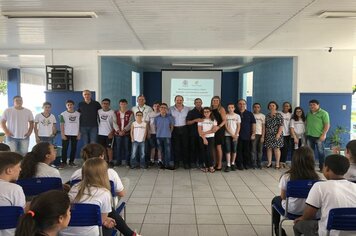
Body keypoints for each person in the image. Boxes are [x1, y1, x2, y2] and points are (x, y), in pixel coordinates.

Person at [62, 158, 139, 236]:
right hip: (92, 233)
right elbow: (101, 220)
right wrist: (107, 221)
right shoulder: (104, 193)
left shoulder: (74, 187)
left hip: (66, 231)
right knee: (111, 223)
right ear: (104, 175)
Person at [293, 154, 356, 236]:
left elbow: (309, 215)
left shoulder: (319, 186)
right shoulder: (354, 186)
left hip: (328, 233)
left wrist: (301, 218)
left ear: (327, 168)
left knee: (298, 225)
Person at [271, 146, 320, 236]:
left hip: (292, 210)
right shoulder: (317, 179)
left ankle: (277, 228)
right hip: (311, 212)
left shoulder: (287, 177)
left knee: (275, 200)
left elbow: (283, 197)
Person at [0, 151, 25, 236]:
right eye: (19, 167)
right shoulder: (15, 189)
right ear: (9, 170)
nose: (20, 169)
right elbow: (21, 213)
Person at [306, 99, 330, 171]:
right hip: (310, 136)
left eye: (314, 104)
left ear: (318, 105)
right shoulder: (308, 113)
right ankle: (311, 167)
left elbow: (327, 125)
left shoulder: (324, 113)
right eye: (310, 105)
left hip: (319, 137)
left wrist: (324, 134)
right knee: (310, 153)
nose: (312, 106)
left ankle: (322, 168)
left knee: (321, 153)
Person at [169, 95, 190, 169]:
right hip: (175, 129)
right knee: (176, 147)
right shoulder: (170, 109)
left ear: (183, 101)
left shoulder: (187, 109)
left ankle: (186, 163)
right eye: (177, 100)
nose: (179, 101)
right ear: (175, 101)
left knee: (185, 147)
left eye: (180, 100)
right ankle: (176, 163)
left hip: (184, 129)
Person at [59, 100, 81, 168]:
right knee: (64, 148)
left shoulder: (78, 114)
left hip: (75, 133)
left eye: (71, 104)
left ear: (73, 105)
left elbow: (80, 124)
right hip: (66, 133)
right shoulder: (62, 114)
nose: (70, 106)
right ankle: (64, 162)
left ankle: (71, 162)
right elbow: (61, 124)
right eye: (68, 105)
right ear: (66, 106)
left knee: (73, 148)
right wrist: (62, 134)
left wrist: (79, 133)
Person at [236, 99, 256, 170]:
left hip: (247, 135)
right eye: (240, 104)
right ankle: (239, 164)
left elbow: (253, 124)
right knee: (238, 150)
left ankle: (246, 164)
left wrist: (253, 133)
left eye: (243, 104)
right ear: (238, 105)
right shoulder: (235, 113)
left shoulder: (249, 114)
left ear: (245, 105)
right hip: (237, 135)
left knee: (246, 150)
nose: (242, 105)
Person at [98, 98, 117, 167]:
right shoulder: (99, 111)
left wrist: (112, 132)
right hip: (100, 133)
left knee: (109, 148)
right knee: (102, 148)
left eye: (107, 104)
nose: (105, 105)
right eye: (103, 103)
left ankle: (110, 161)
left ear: (109, 104)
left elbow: (115, 123)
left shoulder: (112, 112)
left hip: (109, 134)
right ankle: (105, 161)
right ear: (101, 104)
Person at [115, 99, 134, 166]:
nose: (123, 105)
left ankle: (127, 162)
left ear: (126, 104)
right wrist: (118, 131)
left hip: (126, 134)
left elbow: (131, 122)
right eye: (121, 104)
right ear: (119, 104)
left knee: (127, 149)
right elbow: (114, 123)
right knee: (118, 148)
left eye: (124, 104)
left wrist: (124, 130)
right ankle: (118, 162)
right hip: (118, 134)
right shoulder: (116, 112)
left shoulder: (130, 113)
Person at [155, 103, 174, 170]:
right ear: (159, 109)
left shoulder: (170, 117)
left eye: (165, 107)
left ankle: (167, 165)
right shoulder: (156, 118)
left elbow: (172, 127)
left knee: (167, 151)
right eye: (162, 107)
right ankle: (162, 164)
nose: (163, 109)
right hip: (159, 136)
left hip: (167, 136)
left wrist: (169, 133)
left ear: (167, 109)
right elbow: (156, 127)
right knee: (161, 151)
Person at [198, 107, 218, 173]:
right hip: (202, 138)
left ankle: (211, 166)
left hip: (211, 138)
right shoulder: (201, 120)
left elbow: (213, 130)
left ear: (210, 112)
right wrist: (204, 138)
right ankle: (205, 166)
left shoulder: (214, 120)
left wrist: (205, 133)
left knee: (209, 152)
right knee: (203, 152)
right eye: (205, 112)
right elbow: (199, 131)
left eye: (207, 111)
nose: (206, 113)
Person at [265, 101, 284, 169]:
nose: (271, 107)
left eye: (273, 105)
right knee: (269, 148)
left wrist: (278, 134)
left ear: (276, 106)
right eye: (270, 105)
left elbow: (281, 125)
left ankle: (277, 163)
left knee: (276, 148)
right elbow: (266, 126)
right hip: (269, 134)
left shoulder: (279, 115)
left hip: (277, 134)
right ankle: (269, 163)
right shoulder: (267, 115)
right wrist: (266, 134)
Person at [186, 98, 204, 168]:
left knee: (202, 148)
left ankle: (201, 162)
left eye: (199, 102)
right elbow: (187, 122)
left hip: (203, 133)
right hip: (193, 133)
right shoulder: (191, 112)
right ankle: (192, 162)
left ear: (201, 103)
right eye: (196, 102)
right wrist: (195, 120)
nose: (198, 103)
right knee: (192, 148)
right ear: (194, 103)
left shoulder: (205, 111)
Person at [211, 96, 226, 171]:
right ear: (212, 101)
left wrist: (218, 127)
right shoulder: (210, 109)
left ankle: (219, 164)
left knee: (218, 147)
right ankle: (214, 163)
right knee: (213, 147)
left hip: (219, 129)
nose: (215, 102)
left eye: (217, 100)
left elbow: (224, 120)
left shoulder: (221, 109)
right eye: (214, 100)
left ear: (219, 101)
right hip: (212, 130)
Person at [224, 103, 241, 172]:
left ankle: (233, 163)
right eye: (229, 107)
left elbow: (238, 126)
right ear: (227, 109)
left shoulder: (237, 116)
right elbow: (226, 126)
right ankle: (228, 165)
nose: (230, 109)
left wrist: (236, 134)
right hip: (227, 135)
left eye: (232, 107)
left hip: (235, 135)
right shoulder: (226, 116)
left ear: (234, 108)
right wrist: (231, 134)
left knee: (234, 149)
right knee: (228, 150)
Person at [147, 101, 162, 166]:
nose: (156, 107)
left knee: (159, 148)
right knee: (152, 147)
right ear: (153, 107)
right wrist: (148, 132)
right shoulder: (149, 114)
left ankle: (160, 161)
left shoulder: (162, 114)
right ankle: (152, 160)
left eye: (158, 106)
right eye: (155, 106)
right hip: (152, 133)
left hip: (160, 134)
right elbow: (147, 124)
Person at [252, 103, 265, 169]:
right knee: (253, 150)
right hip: (254, 135)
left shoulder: (262, 116)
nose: (256, 108)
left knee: (260, 150)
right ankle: (254, 164)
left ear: (260, 108)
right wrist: (252, 134)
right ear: (253, 108)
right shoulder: (251, 115)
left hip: (260, 135)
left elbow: (263, 127)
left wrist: (263, 136)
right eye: (255, 107)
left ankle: (259, 163)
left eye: (258, 107)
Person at [279, 102, 292, 168]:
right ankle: (280, 162)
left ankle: (283, 162)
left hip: (288, 134)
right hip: (280, 133)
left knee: (286, 148)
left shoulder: (291, 115)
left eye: (287, 106)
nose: (286, 107)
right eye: (284, 106)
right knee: (281, 148)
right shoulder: (279, 113)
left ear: (289, 107)